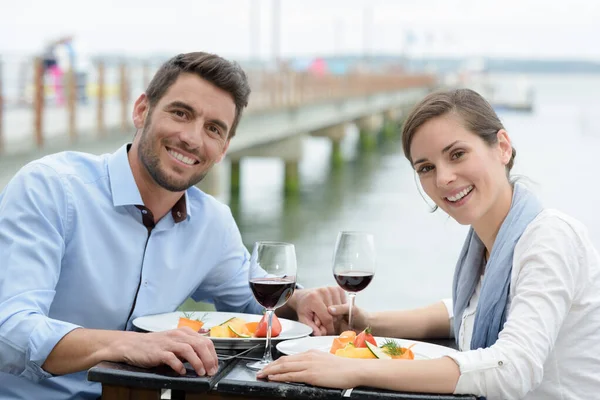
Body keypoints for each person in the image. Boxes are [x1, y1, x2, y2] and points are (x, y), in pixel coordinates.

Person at [0, 52, 345, 400]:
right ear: (141, 110)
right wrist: (131, 344)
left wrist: (299, 300)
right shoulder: (51, 188)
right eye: (181, 113)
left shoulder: (212, 222)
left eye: (213, 129)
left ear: (223, 149)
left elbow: (251, 300)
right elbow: (9, 332)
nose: (192, 138)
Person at [258, 88, 600, 399]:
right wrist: (366, 322)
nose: (443, 178)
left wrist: (354, 369)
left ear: (503, 147)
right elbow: (462, 311)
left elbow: (512, 368)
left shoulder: (550, 238)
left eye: (457, 154)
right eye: (425, 167)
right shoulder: (486, 248)